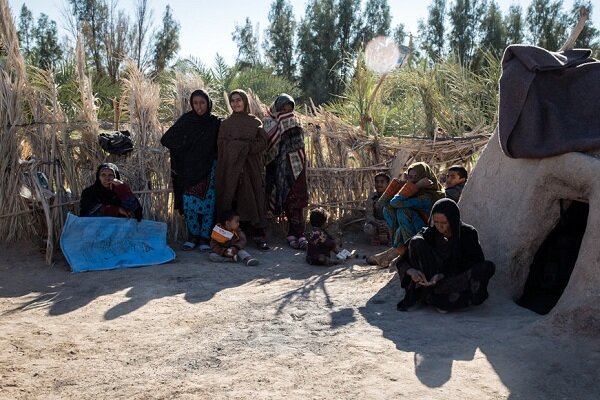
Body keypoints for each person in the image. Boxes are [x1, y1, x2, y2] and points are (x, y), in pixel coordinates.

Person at [394, 198, 496, 312]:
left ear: (452, 220)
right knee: (416, 241)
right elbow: (403, 260)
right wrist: (411, 271)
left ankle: (437, 297)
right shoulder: (429, 233)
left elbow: (474, 262)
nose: (439, 227)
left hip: (450, 280)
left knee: (487, 267)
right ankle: (427, 293)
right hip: (428, 280)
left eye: (444, 223)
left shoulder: (468, 233)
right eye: (436, 222)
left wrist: (443, 275)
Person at [161, 89, 220, 251]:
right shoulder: (186, 120)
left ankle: (204, 238)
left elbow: (221, 144)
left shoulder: (215, 123)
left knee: (208, 205)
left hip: (209, 170)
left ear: (208, 103)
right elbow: (166, 139)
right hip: (189, 170)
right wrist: (186, 147)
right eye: (195, 103)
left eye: (202, 103)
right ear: (191, 104)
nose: (199, 107)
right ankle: (193, 236)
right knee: (188, 205)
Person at [215, 89, 270, 251]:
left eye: (239, 100)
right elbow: (221, 144)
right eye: (233, 100)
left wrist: (244, 147)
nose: (236, 103)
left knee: (252, 198)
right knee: (231, 199)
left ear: (245, 101)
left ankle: (258, 236)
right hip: (231, 168)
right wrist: (239, 146)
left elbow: (262, 142)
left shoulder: (254, 122)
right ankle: (227, 236)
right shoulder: (226, 124)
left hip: (250, 168)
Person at [367, 162, 445, 267]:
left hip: (427, 234)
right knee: (388, 210)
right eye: (410, 177)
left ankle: (407, 252)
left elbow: (395, 202)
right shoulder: (415, 191)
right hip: (412, 229)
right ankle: (400, 251)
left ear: (424, 177)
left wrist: (415, 185)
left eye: (415, 177)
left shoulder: (427, 196)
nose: (412, 180)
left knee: (402, 211)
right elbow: (382, 203)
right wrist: (402, 182)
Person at [263, 94, 309, 250]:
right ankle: (293, 234)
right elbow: (268, 146)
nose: (286, 112)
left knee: (298, 200)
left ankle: (298, 233)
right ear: (277, 108)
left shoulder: (296, 121)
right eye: (283, 109)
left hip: (296, 166)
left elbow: (300, 142)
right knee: (286, 199)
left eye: (289, 109)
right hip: (278, 168)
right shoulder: (268, 122)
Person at [363, 172, 391, 246]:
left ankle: (391, 238)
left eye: (382, 182)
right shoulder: (372, 196)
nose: (379, 184)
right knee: (368, 227)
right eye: (377, 182)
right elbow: (369, 215)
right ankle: (376, 237)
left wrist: (386, 224)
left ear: (388, 184)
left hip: (389, 223)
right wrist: (377, 224)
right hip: (376, 222)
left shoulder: (393, 196)